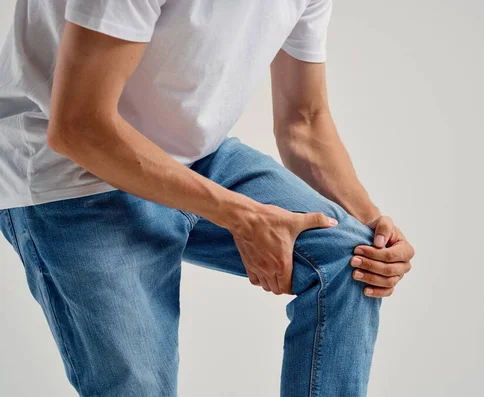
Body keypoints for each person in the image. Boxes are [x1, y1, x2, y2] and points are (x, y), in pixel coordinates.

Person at [0, 0, 415, 396]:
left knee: (356, 258)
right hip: (71, 176)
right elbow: (78, 127)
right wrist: (241, 216)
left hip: (198, 157)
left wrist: (375, 228)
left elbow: (303, 122)